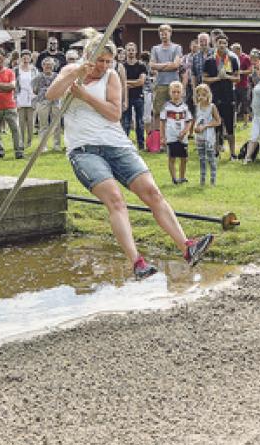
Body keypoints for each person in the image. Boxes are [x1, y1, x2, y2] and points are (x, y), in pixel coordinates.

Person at [44, 30, 214, 278]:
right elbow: (51, 94)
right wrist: (76, 75)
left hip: (117, 144)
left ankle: (187, 247)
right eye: (99, 61)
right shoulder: (71, 71)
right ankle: (137, 262)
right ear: (88, 56)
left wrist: (86, 96)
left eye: (107, 62)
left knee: (152, 192)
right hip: (84, 149)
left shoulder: (111, 76)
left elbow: (114, 113)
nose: (103, 66)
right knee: (115, 199)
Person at [202, 35, 240, 159]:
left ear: (227, 44)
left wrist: (227, 77)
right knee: (216, 126)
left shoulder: (233, 59)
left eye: (224, 43)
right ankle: (216, 151)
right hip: (215, 97)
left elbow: (238, 78)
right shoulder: (209, 60)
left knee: (230, 126)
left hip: (229, 97)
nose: (222, 45)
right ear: (215, 44)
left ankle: (233, 153)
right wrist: (218, 78)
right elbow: (204, 78)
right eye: (220, 42)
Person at [149, 25, 183, 126]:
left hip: (174, 84)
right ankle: (158, 135)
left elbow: (176, 65)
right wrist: (168, 64)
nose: (163, 35)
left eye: (166, 33)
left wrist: (160, 66)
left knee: (176, 110)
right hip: (160, 84)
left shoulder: (177, 47)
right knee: (158, 111)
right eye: (161, 33)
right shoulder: (155, 49)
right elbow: (152, 65)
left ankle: (174, 134)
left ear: (170, 33)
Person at [161, 81, 192, 184]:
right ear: (170, 92)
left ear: (182, 93)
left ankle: (182, 177)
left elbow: (189, 121)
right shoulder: (166, 106)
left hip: (182, 137)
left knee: (184, 158)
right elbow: (162, 122)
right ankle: (174, 178)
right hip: (171, 137)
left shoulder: (185, 107)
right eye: (173, 92)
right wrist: (163, 137)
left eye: (178, 92)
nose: (176, 94)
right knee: (172, 157)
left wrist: (184, 132)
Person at [120, 42, 147, 150]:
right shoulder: (122, 66)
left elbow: (141, 82)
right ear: (126, 52)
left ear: (136, 51)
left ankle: (141, 145)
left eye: (132, 50)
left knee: (140, 122)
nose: (130, 52)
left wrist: (126, 83)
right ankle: (124, 144)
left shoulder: (141, 65)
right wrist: (131, 83)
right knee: (126, 122)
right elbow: (120, 82)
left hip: (138, 96)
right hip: (126, 97)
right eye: (129, 50)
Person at [193, 84, 221, 186]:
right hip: (199, 137)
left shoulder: (212, 107)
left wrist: (206, 126)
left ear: (208, 95)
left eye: (203, 95)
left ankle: (213, 180)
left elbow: (218, 121)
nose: (201, 97)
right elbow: (196, 120)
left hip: (209, 137)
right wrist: (195, 128)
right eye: (199, 95)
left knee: (211, 159)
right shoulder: (197, 107)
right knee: (201, 159)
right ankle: (202, 181)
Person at [32, 57, 61, 152]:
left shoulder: (58, 76)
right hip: (42, 101)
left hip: (56, 101)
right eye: (46, 65)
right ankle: (43, 146)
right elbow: (35, 90)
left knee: (56, 123)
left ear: (53, 66)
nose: (48, 67)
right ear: (42, 66)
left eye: (50, 65)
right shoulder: (38, 77)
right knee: (43, 124)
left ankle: (56, 144)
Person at [14, 50, 38, 148]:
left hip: (31, 97)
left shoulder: (34, 70)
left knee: (30, 122)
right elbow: (14, 85)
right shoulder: (16, 70)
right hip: (20, 96)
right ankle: (21, 142)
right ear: (21, 58)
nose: (25, 59)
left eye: (27, 57)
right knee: (21, 122)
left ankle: (29, 142)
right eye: (23, 57)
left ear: (30, 58)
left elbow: (37, 83)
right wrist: (15, 99)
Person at [231, 43, 253, 127]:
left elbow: (250, 70)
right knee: (234, 104)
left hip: (244, 85)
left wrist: (240, 72)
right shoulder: (231, 58)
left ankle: (246, 123)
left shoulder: (246, 58)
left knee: (245, 104)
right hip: (234, 85)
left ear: (238, 50)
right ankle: (234, 122)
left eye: (234, 50)